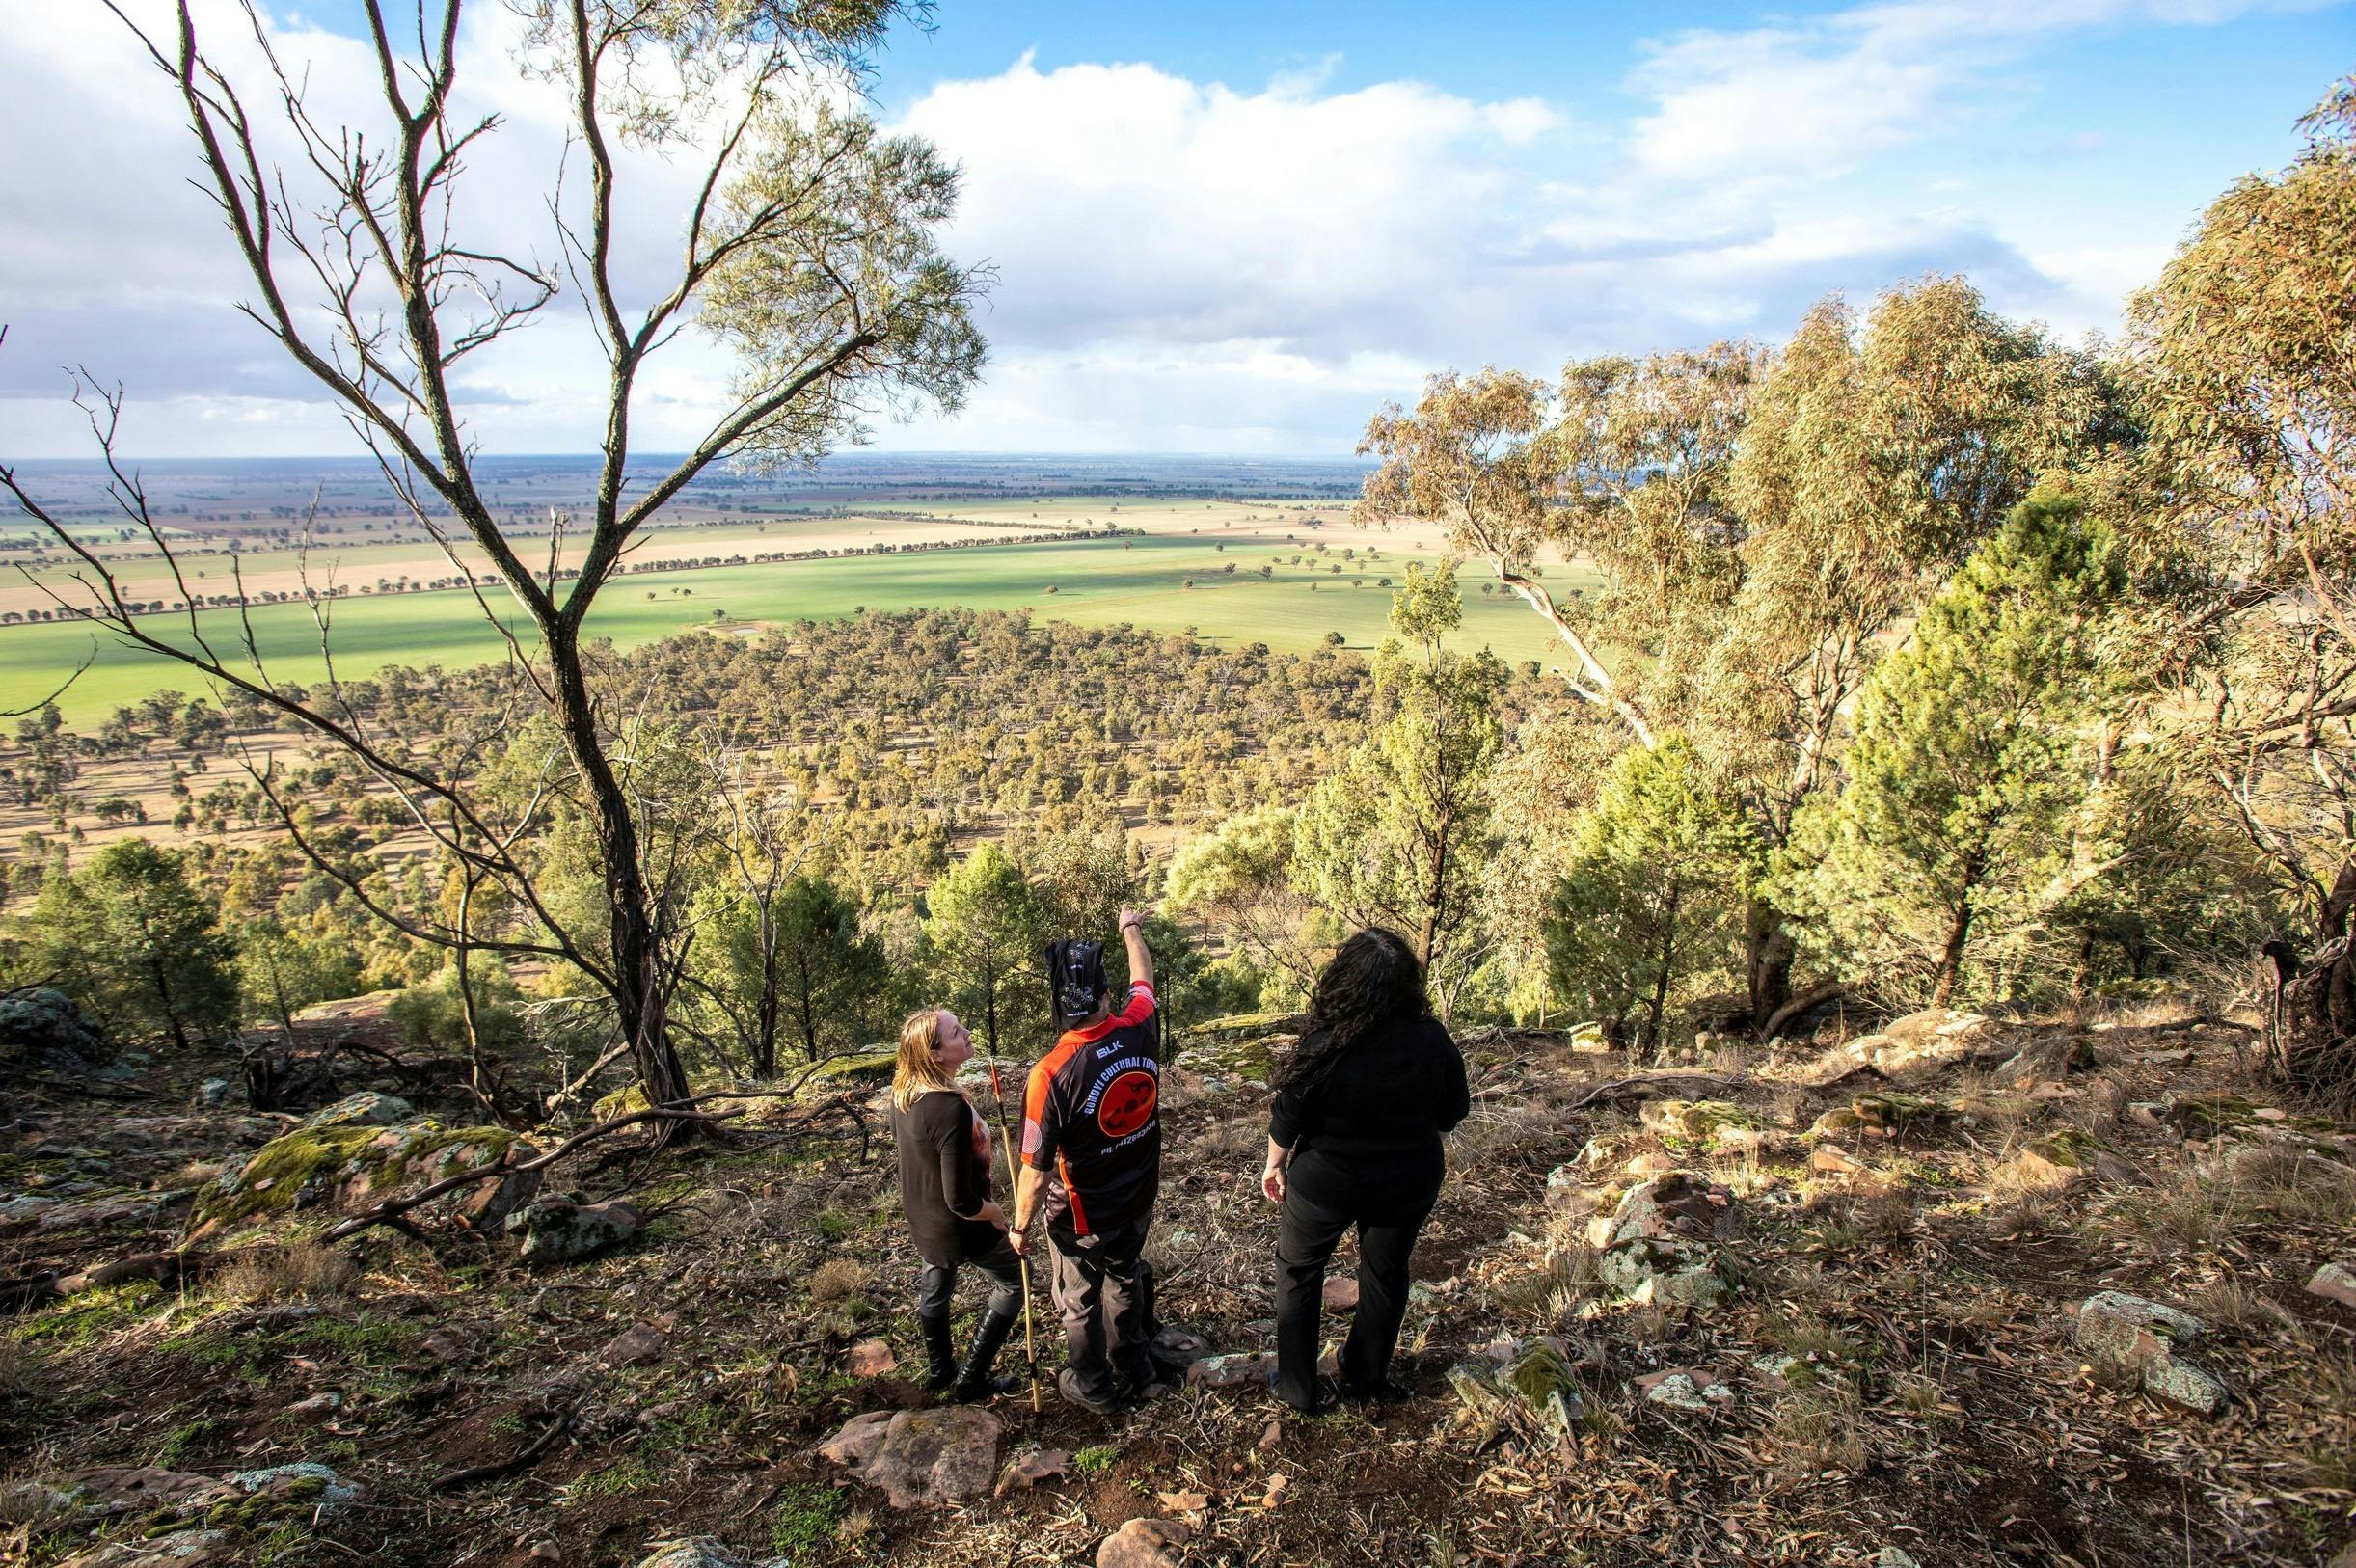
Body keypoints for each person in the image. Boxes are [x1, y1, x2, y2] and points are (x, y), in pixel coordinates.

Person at [1260, 927, 1470, 1413]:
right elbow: (1453, 1113)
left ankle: (1297, 1387)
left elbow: (1287, 1118)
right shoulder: (1431, 1040)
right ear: (1407, 986)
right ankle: (1365, 1376)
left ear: (1345, 980)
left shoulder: (1324, 1044)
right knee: (1386, 1274)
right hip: (1407, 1180)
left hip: (1325, 1184)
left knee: (1298, 1273)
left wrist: (1274, 1166)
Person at [1010, 907, 1160, 1415]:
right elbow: (1144, 976)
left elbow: (1035, 1170)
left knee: (1079, 1298)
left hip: (1083, 1213)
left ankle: (1094, 1386)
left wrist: (1019, 1225)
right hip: (1138, 1195)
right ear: (1104, 997)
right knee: (1127, 1275)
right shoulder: (1141, 1025)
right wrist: (1130, 927)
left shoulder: (1049, 1075)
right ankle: (1137, 1368)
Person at [889, 1007, 1025, 1402]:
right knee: (1015, 1279)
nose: (965, 1033)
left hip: (923, 1217)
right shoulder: (948, 1108)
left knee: (936, 1287)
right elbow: (962, 1200)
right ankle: (970, 1379)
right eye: (955, 1032)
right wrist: (995, 1213)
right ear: (935, 1053)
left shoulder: (903, 1095)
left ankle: (940, 1371)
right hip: (959, 1222)